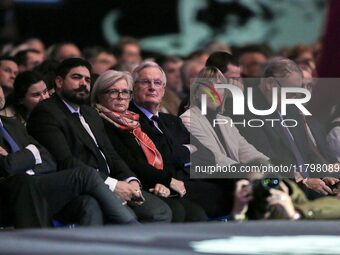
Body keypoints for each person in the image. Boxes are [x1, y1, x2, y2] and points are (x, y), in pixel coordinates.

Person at [27, 58, 172, 223]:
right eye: (76, 77)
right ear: (59, 82)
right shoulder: (47, 112)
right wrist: (112, 185)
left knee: (161, 212)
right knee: (127, 218)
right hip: (80, 188)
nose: (83, 83)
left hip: (113, 182)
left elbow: (111, 155)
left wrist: (130, 180)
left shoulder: (90, 113)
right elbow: (66, 162)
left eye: (87, 80)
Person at [0, 83, 138, 228]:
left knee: (88, 202)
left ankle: (93, 249)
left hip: (41, 185)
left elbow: (48, 160)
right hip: (9, 195)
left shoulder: (13, 124)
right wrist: (31, 154)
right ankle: (134, 229)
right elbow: (6, 166)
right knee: (84, 174)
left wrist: (24, 159)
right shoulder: (44, 114)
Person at [91, 70, 207, 222]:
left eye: (125, 92)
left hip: (153, 182)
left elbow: (156, 156)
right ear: (99, 95)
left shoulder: (132, 121)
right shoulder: (99, 122)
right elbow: (129, 162)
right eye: (113, 91)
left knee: (196, 213)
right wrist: (165, 181)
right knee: (176, 211)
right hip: (127, 184)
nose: (120, 96)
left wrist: (162, 182)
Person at [129, 60, 235, 217]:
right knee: (225, 194)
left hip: (193, 176)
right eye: (145, 82)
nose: (152, 87)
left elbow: (206, 154)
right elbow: (158, 157)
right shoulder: (130, 121)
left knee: (239, 182)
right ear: (133, 87)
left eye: (157, 83)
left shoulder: (171, 120)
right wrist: (188, 150)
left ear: (163, 90)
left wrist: (184, 152)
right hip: (170, 183)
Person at [234, 57, 339, 196]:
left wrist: (326, 177)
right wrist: (304, 181)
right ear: (270, 83)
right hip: (281, 187)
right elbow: (265, 158)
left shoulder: (291, 109)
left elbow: (306, 153)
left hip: (309, 185)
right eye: (290, 93)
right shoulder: (245, 110)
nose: (294, 99)